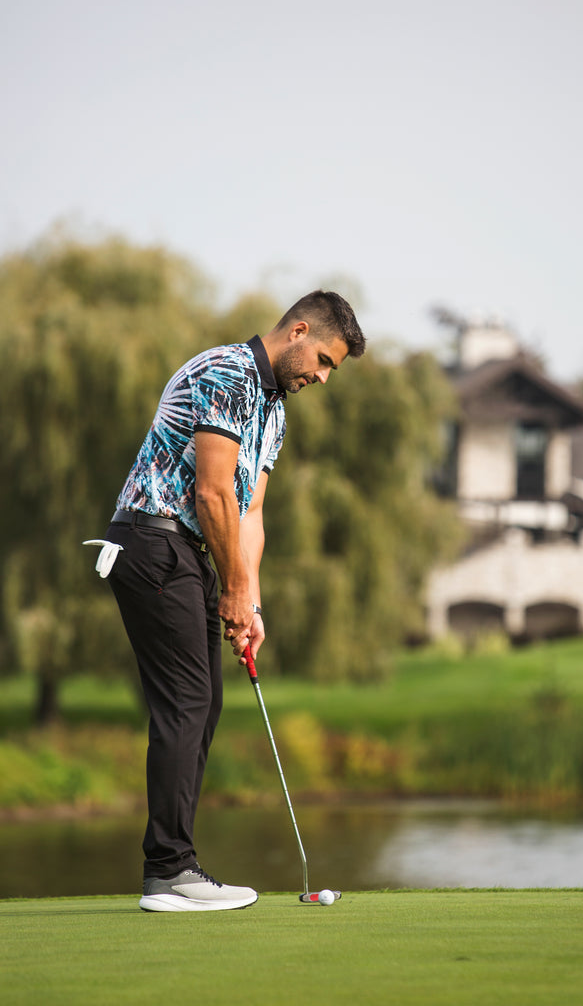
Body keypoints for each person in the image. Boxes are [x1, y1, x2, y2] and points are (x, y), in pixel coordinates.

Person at [101, 290, 365, 912]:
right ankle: (167, 873)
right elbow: (212, 494)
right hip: (152, 540)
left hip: (189, 556)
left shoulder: (273, 410)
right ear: (298, 331)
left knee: (203, 703)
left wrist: (251, 602)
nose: (322, 377)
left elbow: (248, 514)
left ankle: (176, 866)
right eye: (323, 360)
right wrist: (236, 589)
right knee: (186, 704)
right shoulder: (226, 373)